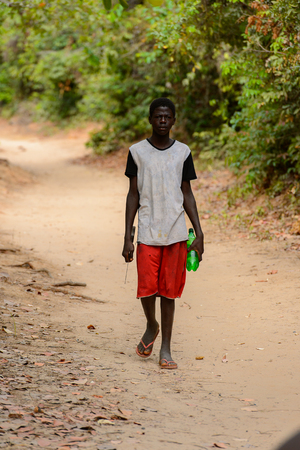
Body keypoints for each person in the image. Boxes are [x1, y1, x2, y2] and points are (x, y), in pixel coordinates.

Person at [122, 97, 204, 369]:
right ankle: (151, 324)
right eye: (158, 116)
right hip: (147, 230)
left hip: (176, 232)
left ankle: (166, 348)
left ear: (174, 120)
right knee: (146, 288)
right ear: (150, 119)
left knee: (169, 292)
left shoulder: (182, 152)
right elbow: (133, 194)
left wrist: (199, 233)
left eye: (167, 117)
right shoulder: (137, 152)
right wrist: (127, 236)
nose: (162, 121)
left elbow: (187, 194)